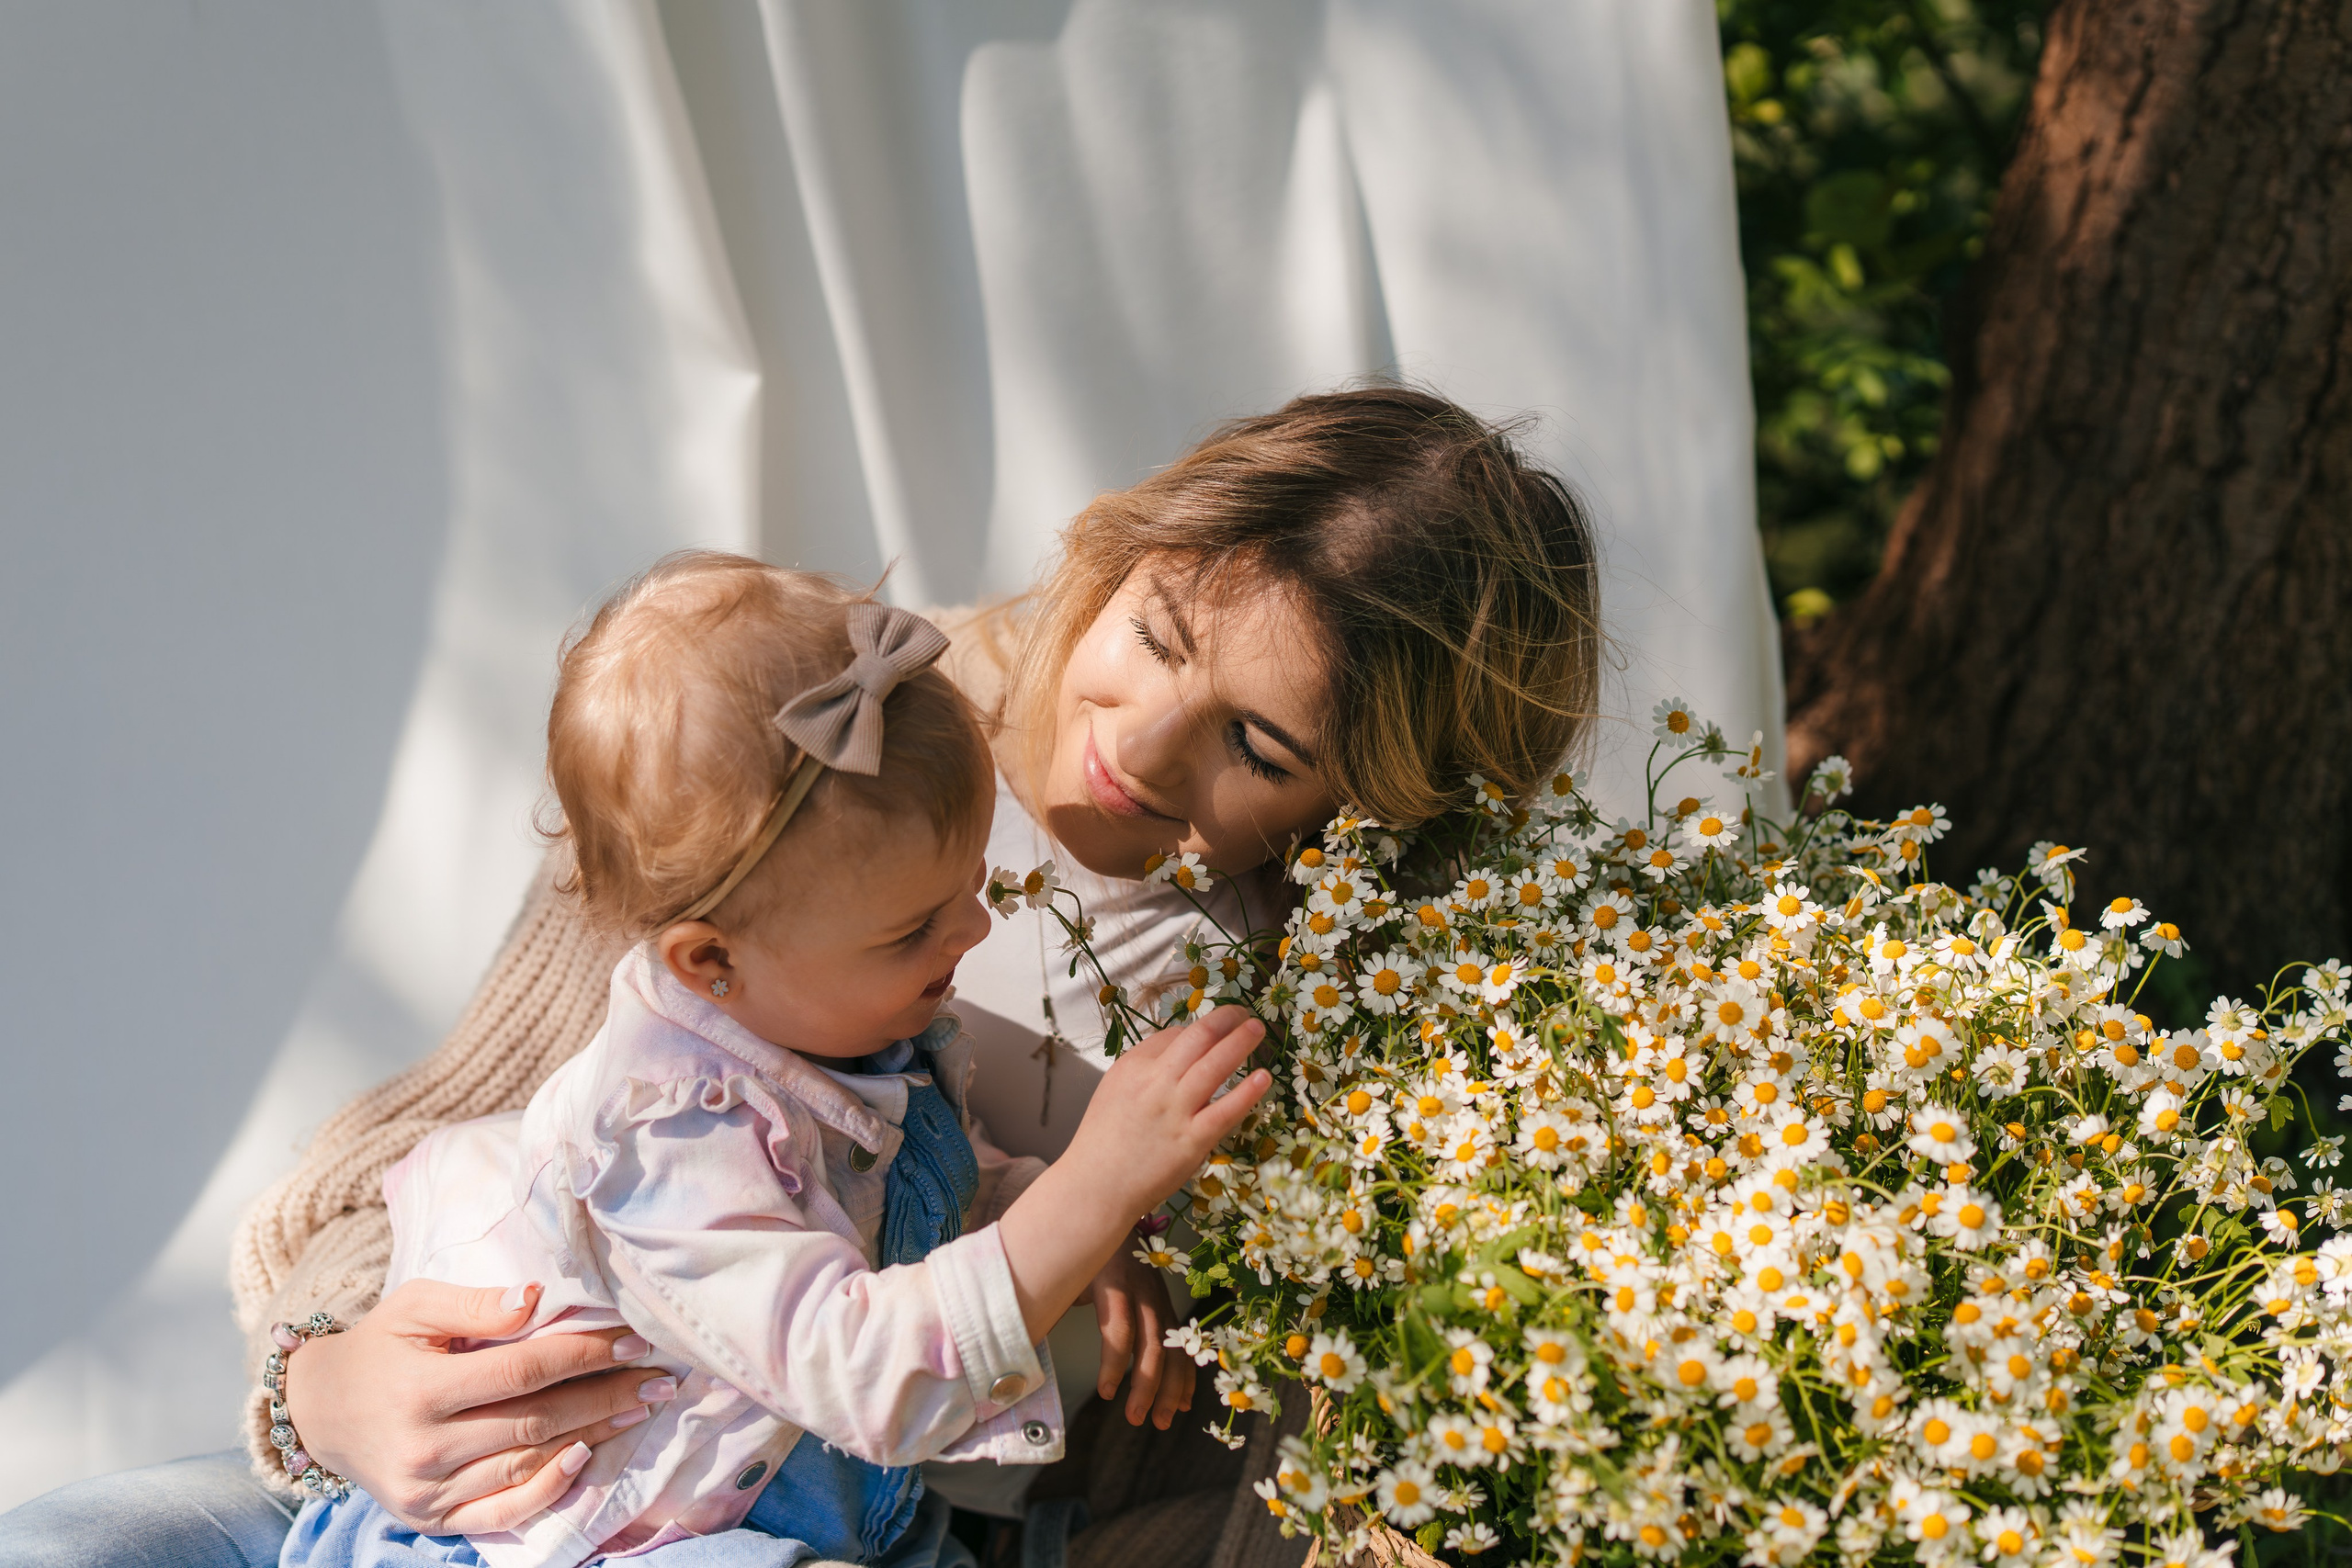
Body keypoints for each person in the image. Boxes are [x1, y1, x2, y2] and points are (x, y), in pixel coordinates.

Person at [0, 386, 1600, 1568]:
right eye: (1162, 634)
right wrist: (327, 1385)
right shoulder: (805, 722)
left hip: (855, 1526)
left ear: (1367, 798)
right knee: (76, 1541)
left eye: (1259, 745)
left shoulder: (1335, 1021)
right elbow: (445, 1153)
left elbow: (1291, 1487)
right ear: (1135, 550)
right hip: (525, 1484)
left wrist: (1107, 1231)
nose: (1137, 747)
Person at [272, 559, 1271, 1568]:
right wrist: (1092, 1191)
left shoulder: (834, 1019)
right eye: (917, 925)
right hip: (596, 1535)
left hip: (794, 1510)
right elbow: (859, 1372)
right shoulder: (674, 1134)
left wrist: (1056, 1218)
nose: (971, 929)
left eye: (971, 883)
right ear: (709, 962)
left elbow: (925, 1193)